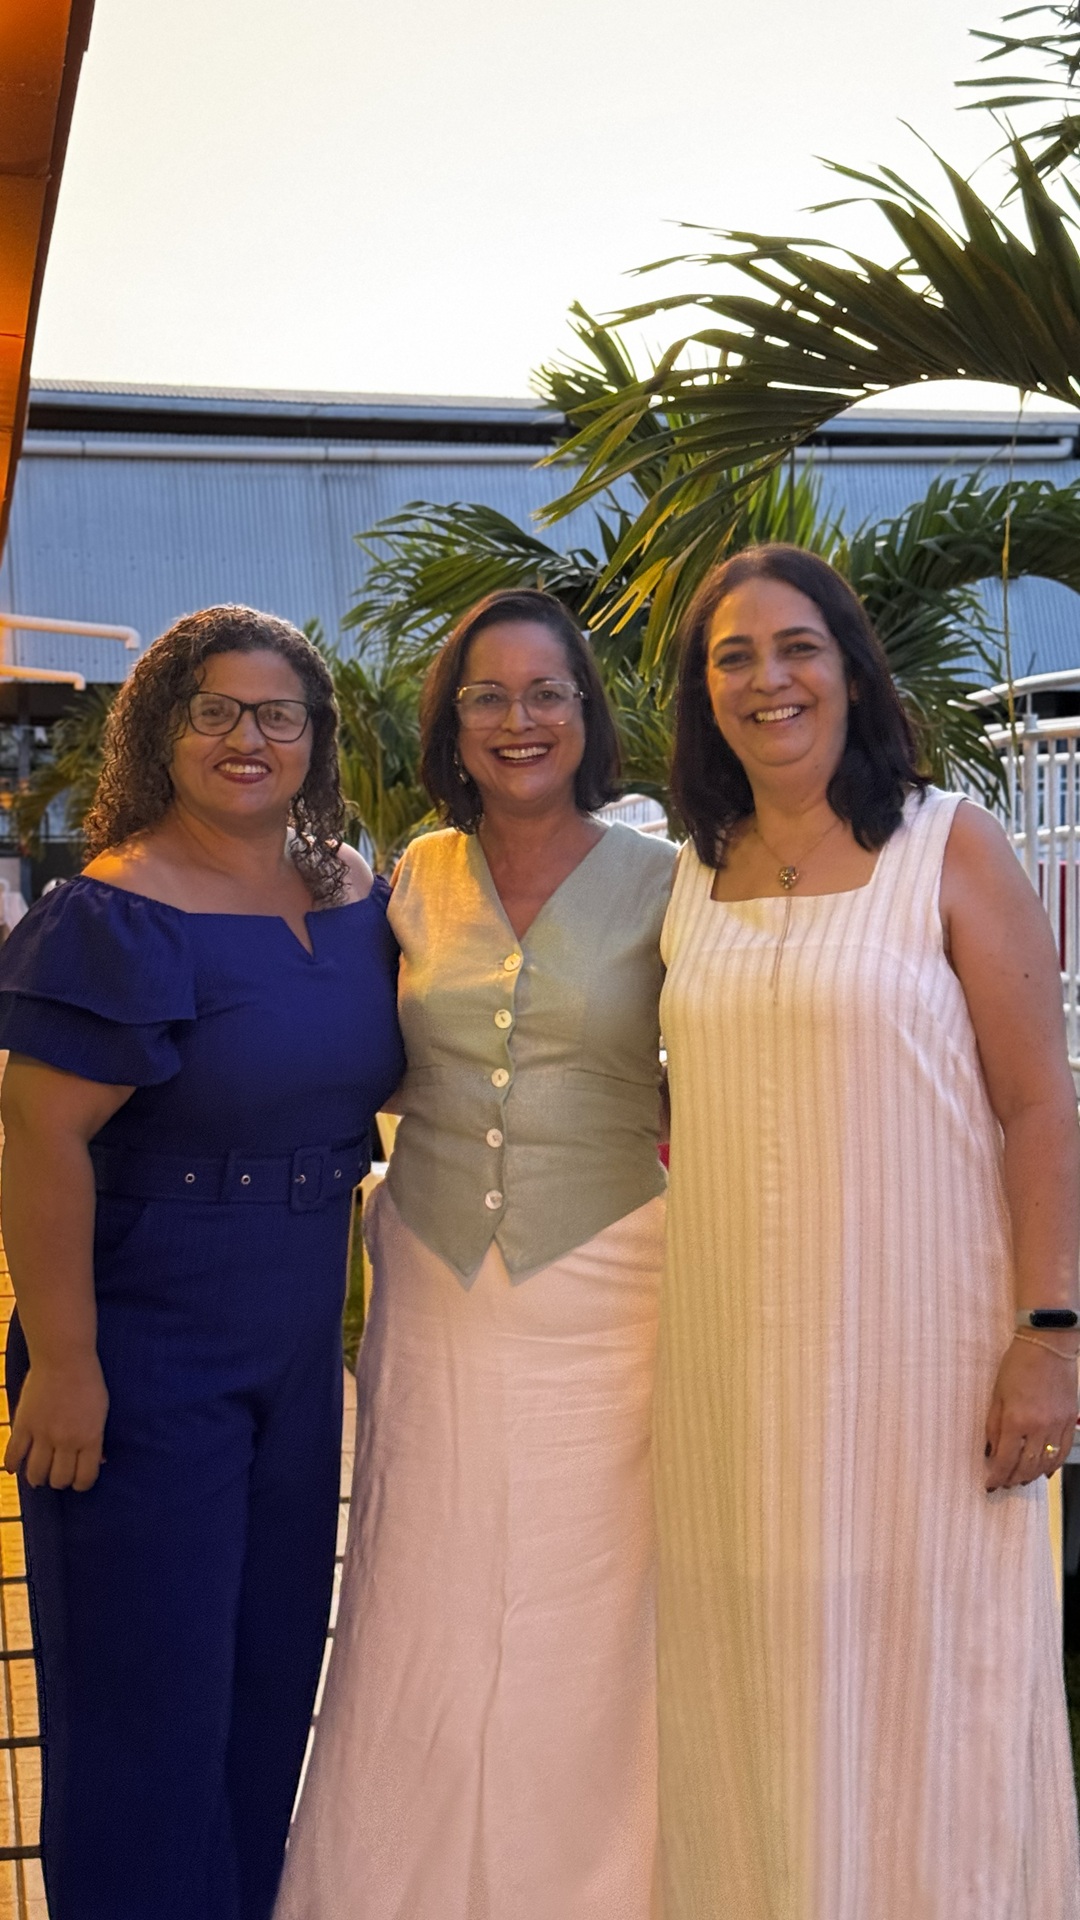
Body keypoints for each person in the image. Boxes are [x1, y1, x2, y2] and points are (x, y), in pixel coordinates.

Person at [656, 544, 1080, 1919]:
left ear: (849, 667)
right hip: (736, 1374)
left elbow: (1040, 1105)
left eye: (797, 648)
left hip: (927, 1361)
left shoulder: (949, 841)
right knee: (755, 1687)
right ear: (703, 693)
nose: (767, 680)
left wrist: (1052, 1334)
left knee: (930, 1686)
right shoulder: (688, 874)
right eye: (733, 657)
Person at [275, 589, 676, 1920]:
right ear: (452, 723)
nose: (519, 720)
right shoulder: (407, 881)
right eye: (487, 696)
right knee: (424, 1595)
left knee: (593, 1606)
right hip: (436, 1284)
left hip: (614, 1285)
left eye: (546, 692)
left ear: (586, 714)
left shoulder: (668, 881)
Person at [0, 607, 405, 1920]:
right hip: (143, 1341)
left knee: (267, 1682)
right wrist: (66, 1362)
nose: (248, 738)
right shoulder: (117, 910)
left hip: (294, 1341)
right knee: (146, 1708)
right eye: (214, 711)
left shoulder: (353, 892)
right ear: (161, 731)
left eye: (278, 714)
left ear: (315, 736)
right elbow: (39, 1136)